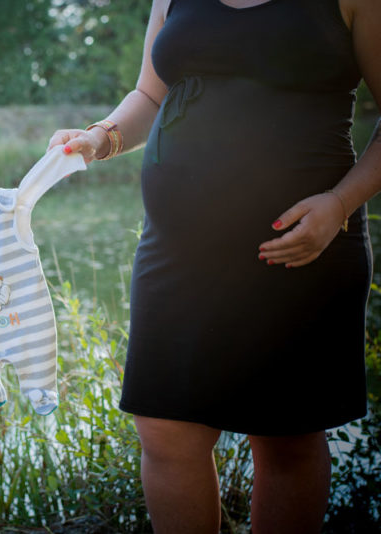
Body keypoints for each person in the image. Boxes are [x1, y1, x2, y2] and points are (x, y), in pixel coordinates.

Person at [48, 0, 381, 532]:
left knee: (285, 436)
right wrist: (100, 137)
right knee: (164, 428)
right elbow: (150, 95)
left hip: (300, 247)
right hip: (177, 250)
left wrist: (339, 205)